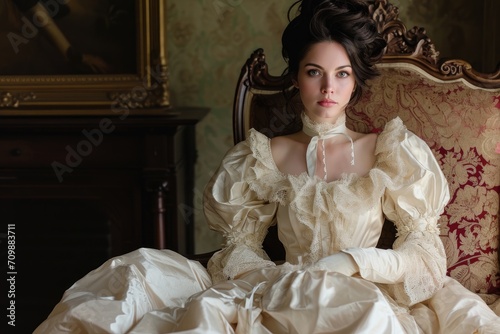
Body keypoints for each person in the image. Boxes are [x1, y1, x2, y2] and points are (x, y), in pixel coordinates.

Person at [34, 0, 500, 333]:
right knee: (137, 279)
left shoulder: (389, 151)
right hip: (281, 293)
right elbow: (240, 248)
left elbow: (424, 257)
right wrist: (277, 278)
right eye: (314, 72)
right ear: (296, 77)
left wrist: (353, 263)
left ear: (356, 82)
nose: (328, 88)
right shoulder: (264, 156)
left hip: (360, 298)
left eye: (342, 74)